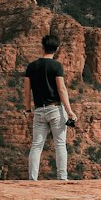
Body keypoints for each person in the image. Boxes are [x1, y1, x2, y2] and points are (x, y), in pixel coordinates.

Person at [24, 33, 77, 181]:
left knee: (36, 146)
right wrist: (70, 111)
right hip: (56, 110)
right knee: (60, 145)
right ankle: (62, 178)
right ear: (57, 48)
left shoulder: (31, 67)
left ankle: (32, 179)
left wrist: (28, 110)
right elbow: (61, 89)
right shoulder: (56, 66)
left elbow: (27, 91)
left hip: (39, 110)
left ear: (43, 47)